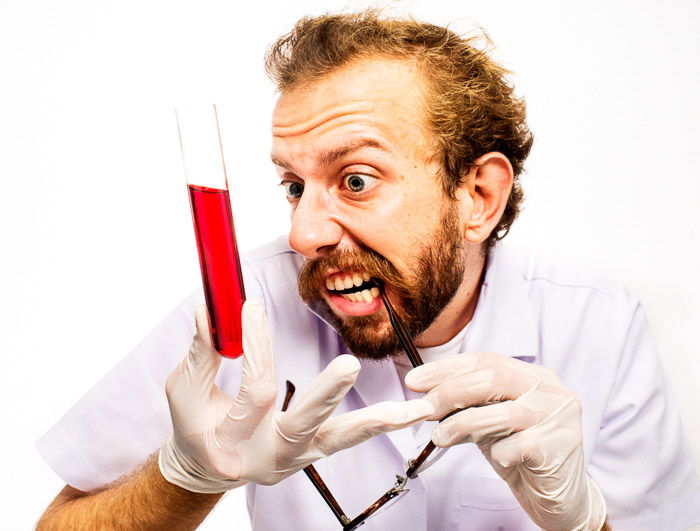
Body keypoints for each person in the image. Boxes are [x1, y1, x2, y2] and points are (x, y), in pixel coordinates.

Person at [36, 11, 700, 530]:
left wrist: (583, 521)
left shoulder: (598, 322)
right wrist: (187, 474)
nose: (304, 233)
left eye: (355, 179)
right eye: (294, 186)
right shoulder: (243, 305)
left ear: (478, 197)